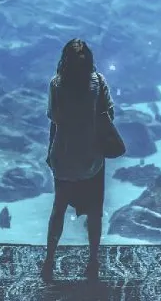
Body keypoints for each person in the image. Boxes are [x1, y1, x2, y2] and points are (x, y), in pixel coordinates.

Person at [41, 39, 114, 282]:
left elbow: (55, 119)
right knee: (95, 212)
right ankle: (93, 260)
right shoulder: (98, 81)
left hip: (64, 153)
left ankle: (49, 260)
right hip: (92, 156)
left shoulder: (56, 84)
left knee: (58, 209)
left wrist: (50, 153)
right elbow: (109, 114)